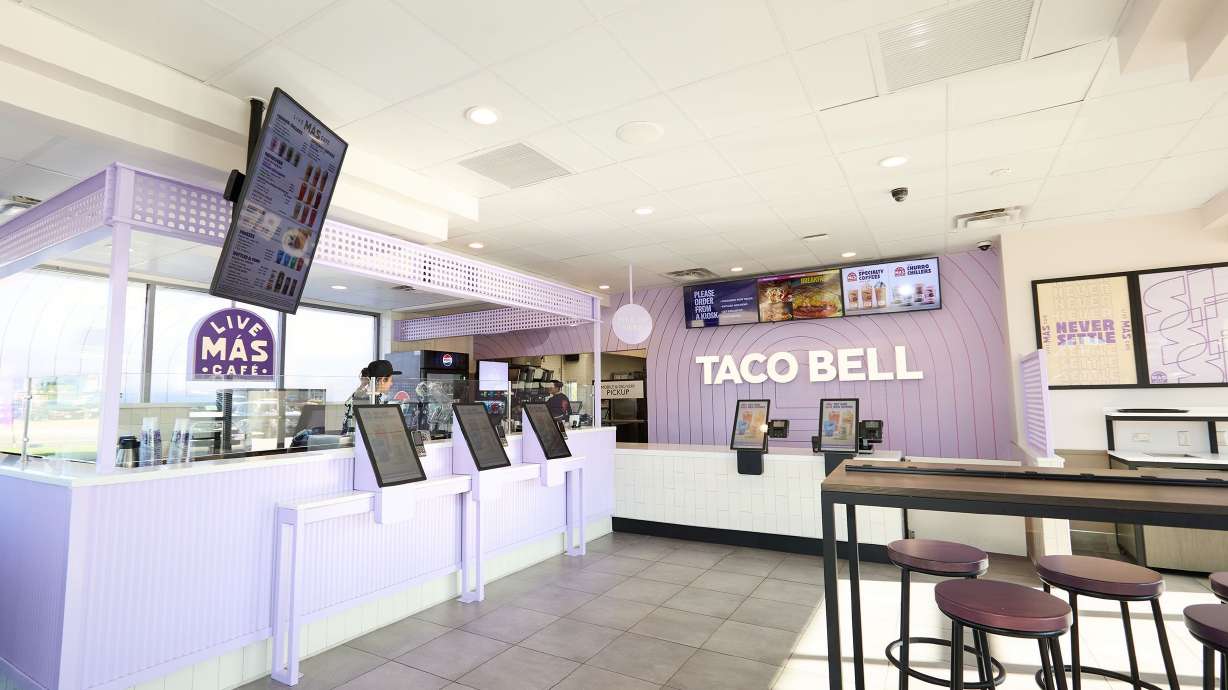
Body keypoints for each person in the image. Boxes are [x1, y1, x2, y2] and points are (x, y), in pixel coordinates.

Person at [341, 359, 400, 435]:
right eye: (390, 380)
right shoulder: (367, 399)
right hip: (357, 440)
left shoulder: (364, 395)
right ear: (382, 380)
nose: (391, 384)